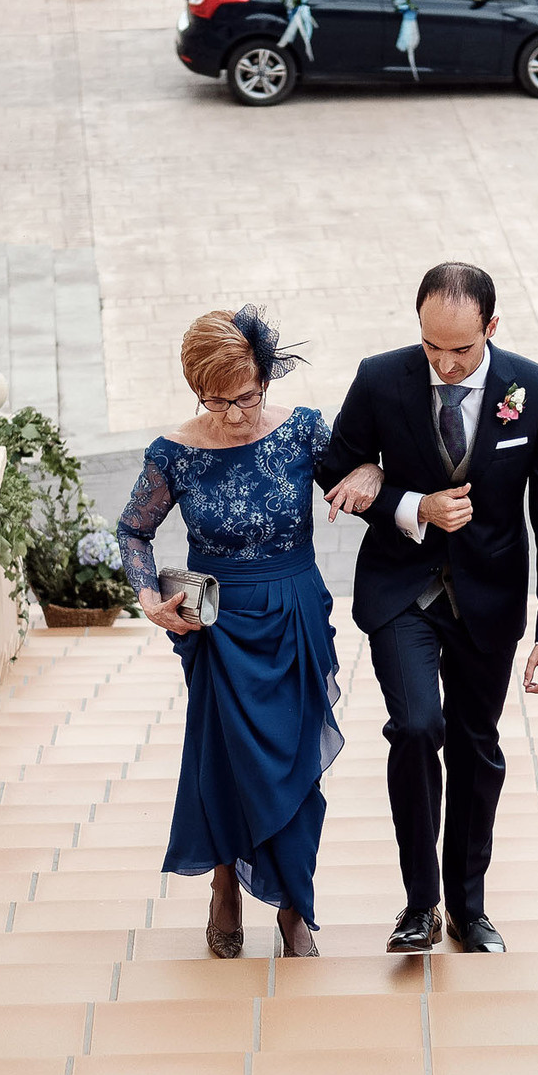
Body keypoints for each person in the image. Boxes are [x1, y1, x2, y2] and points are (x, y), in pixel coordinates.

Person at [319, 263, 538, 955]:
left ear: (491, 327)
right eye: (431, 345)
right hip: (401, 588)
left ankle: (468, 907)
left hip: (489, 598)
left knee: (475, 745)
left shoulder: (536, 391)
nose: (445, 363)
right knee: (415, 727)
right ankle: (419, 906)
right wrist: (409, 503)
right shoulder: (381, 378)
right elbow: (333, 467)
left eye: (461, 349)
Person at [120, 307, 381, 960]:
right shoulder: (173, 452)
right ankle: (224, 884)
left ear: (266, 379)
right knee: (225, 760)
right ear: (195, 390)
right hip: (215, 622)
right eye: (217, 400)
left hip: (294, 611)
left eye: (246, 396)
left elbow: (358, 482)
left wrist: (371, 471)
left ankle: (294, 906)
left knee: (295, 762)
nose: (234, 413)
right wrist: (148, 597)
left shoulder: (303, 431)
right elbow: (133, 530)